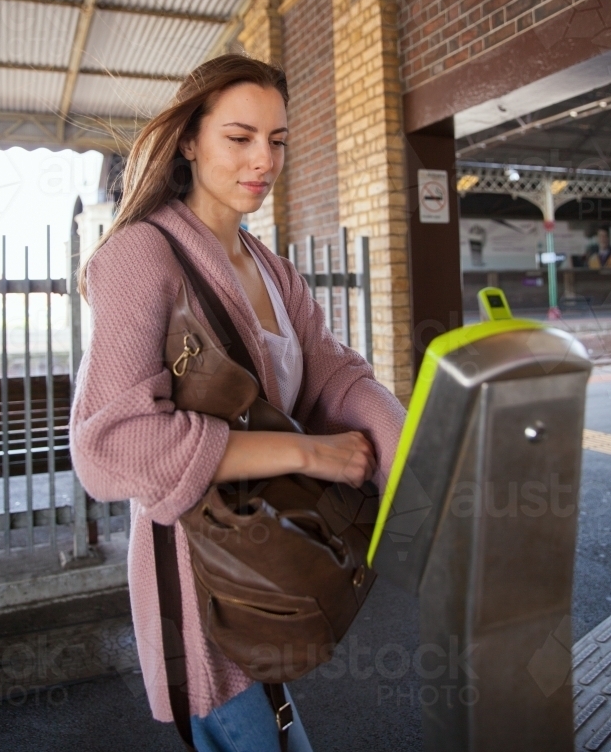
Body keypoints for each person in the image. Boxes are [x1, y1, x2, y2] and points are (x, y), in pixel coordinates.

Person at [70, 55, 405, 752]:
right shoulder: (142, 255)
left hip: (264, 553)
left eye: (277, 141)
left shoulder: (270, 266)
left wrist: (404, 446)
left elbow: (333, 374)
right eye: (240, 137)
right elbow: (110, 447)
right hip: (196, 580)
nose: (264, 159)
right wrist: (307, 451)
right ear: (189, 140)